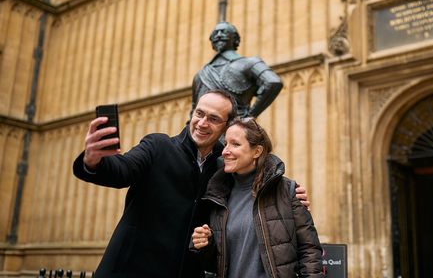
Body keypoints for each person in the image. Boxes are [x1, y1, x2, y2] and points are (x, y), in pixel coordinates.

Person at [73, 89, 309, 278]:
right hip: (129, 269)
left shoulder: (224, 166)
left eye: (213, 119)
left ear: (226, 128)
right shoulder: (158, 146)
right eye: (199, 113)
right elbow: (122, 170)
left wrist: (287, 195)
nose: (202, 123)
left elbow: (253, 184)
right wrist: (94, 161)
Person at [191, 117, 325, 278]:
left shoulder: (286, 191)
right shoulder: (216, 197)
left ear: (257, 151)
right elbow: (215, 263)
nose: (225, 151)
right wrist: (204, 245)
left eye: (235, 144)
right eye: (225, 143)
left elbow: (310, 251)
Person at [192, 21, 283, 118]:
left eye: (224, 32)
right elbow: (194, 109)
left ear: (235, 38)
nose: (219, 35)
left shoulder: (249, 63)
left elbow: (273, 82)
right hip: (205, 130)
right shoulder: (201, 74)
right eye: (215, 33)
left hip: (235, 127)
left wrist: (250, 116)